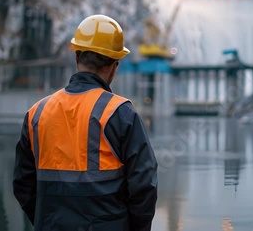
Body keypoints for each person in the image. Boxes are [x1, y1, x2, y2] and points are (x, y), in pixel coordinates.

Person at [13, 14, 158, 231]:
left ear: (77, 57)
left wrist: (47, 221)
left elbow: (23, 184)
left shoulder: (37, 113)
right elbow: (144, 187)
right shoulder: (120, 113)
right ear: (114, 66)